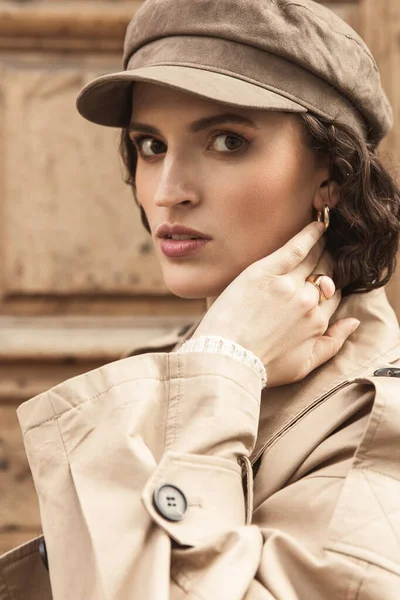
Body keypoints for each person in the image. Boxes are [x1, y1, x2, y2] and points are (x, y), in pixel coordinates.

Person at [1, 0, 400, 598]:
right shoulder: (176, 364)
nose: (168, 192)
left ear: (331, 174)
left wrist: (220, 368)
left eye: (227, 141)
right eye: (150, 145)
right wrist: (222, 363)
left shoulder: (376, 422)